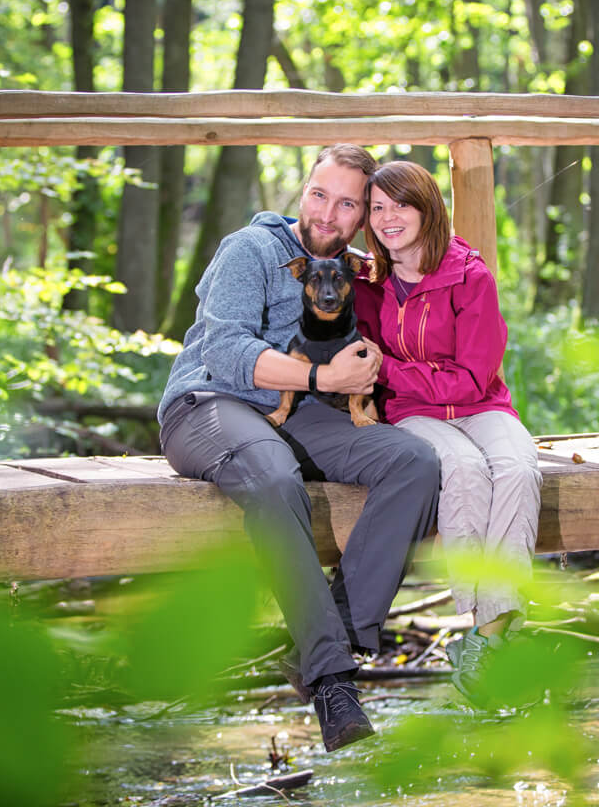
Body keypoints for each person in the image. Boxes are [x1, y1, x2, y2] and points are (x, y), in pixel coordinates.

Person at [158, 144, 440, 751]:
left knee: (413, 460)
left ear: (363, 213)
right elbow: (224, 351)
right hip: (208, 405)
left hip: (305, 413)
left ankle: (330, 636)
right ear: (303, 190)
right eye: (319, 194)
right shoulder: (250, 250)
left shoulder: (363, 269)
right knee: (273, 476)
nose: (326, 213)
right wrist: (321, 378)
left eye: (346, 204)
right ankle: (335, 681)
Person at [354, 160, 543, 707]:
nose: (389, 218)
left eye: (401, 206)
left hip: (482, 406)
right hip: (412, 412)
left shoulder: (469, 275)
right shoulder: (370, 283)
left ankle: (485, 637)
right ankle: (482, 621)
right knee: (461, 469)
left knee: (517, 466)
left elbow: (473, 375)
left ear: (427, 209)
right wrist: (394, 376)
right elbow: (363, 357)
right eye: (378, 208)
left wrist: (389, 368)